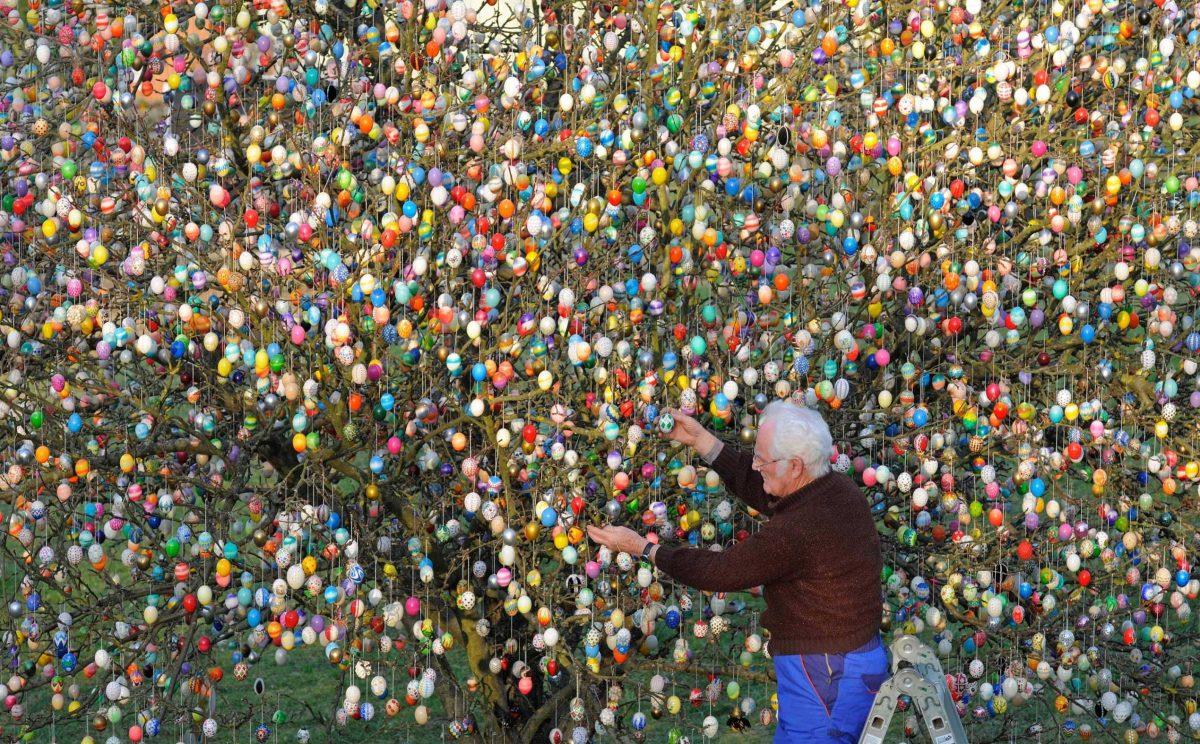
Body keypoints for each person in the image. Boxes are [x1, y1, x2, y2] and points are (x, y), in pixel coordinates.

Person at [587, 400, 885, 743]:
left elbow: (721, 571)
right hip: (842, 661)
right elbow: (761, 486)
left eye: (764, 459)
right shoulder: (833, 489)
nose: (756, 466)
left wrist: (644, 548)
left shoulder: (797, 532)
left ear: (796, 466)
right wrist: (702, 441)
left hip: (827, 671)